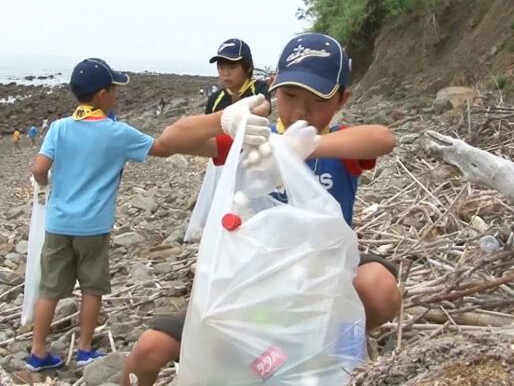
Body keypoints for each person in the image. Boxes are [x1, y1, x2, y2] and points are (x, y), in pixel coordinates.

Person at [121, 33, 402, 386]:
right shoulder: (255, 139)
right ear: (274, 88)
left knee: (380, 286)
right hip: (254, 287)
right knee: (149, 349)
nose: (301, 110)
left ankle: (338, 338)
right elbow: (169, 139)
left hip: (323, 283)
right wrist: (225, 120)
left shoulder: (339, 142)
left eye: (318, 100)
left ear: (343, 99)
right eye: (291, 96)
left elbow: (383, 138)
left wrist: (306, 147)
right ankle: (274, 352)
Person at [26, 58, 265, 372]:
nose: (116, 95)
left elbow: (39, 170)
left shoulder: (58, 128)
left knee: (51, 288)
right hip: (93, 226)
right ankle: (84, 349)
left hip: (58, 223)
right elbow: (162, 148)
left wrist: (44, 188)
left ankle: (37, 351)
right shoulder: (117, 132)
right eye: (113, 89)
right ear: (102, 95)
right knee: (92, 287)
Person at [205, 38, 271, 116]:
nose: (226, 73)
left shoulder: (258, 88)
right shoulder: (214, 99)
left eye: (232, 67)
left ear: (249, 68)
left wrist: (241, 111)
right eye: (221, 67)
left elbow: (265, 108)